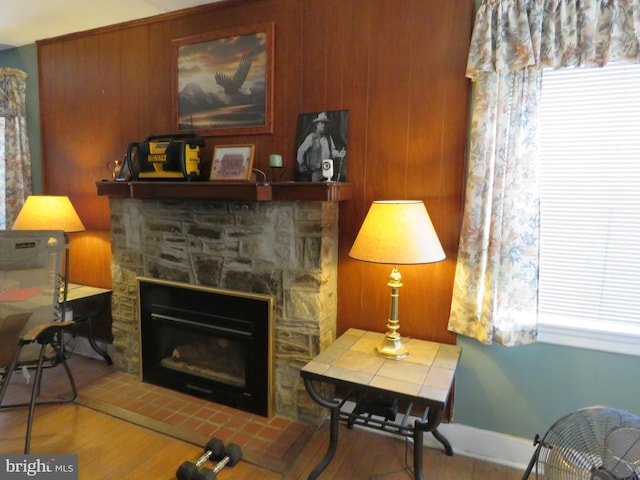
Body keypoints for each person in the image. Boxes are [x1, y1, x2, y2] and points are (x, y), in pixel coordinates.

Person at [296, 112, 346, 181]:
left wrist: (339, 154)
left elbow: (332, 151)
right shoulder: (311, 137)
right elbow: (300, 151)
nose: (323, 126)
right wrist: (302, 165)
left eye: (325, 124)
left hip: (328, 169)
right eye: (322, 123)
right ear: (317, 125)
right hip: (316, 171)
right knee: (316, 189)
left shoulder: (328, 137)